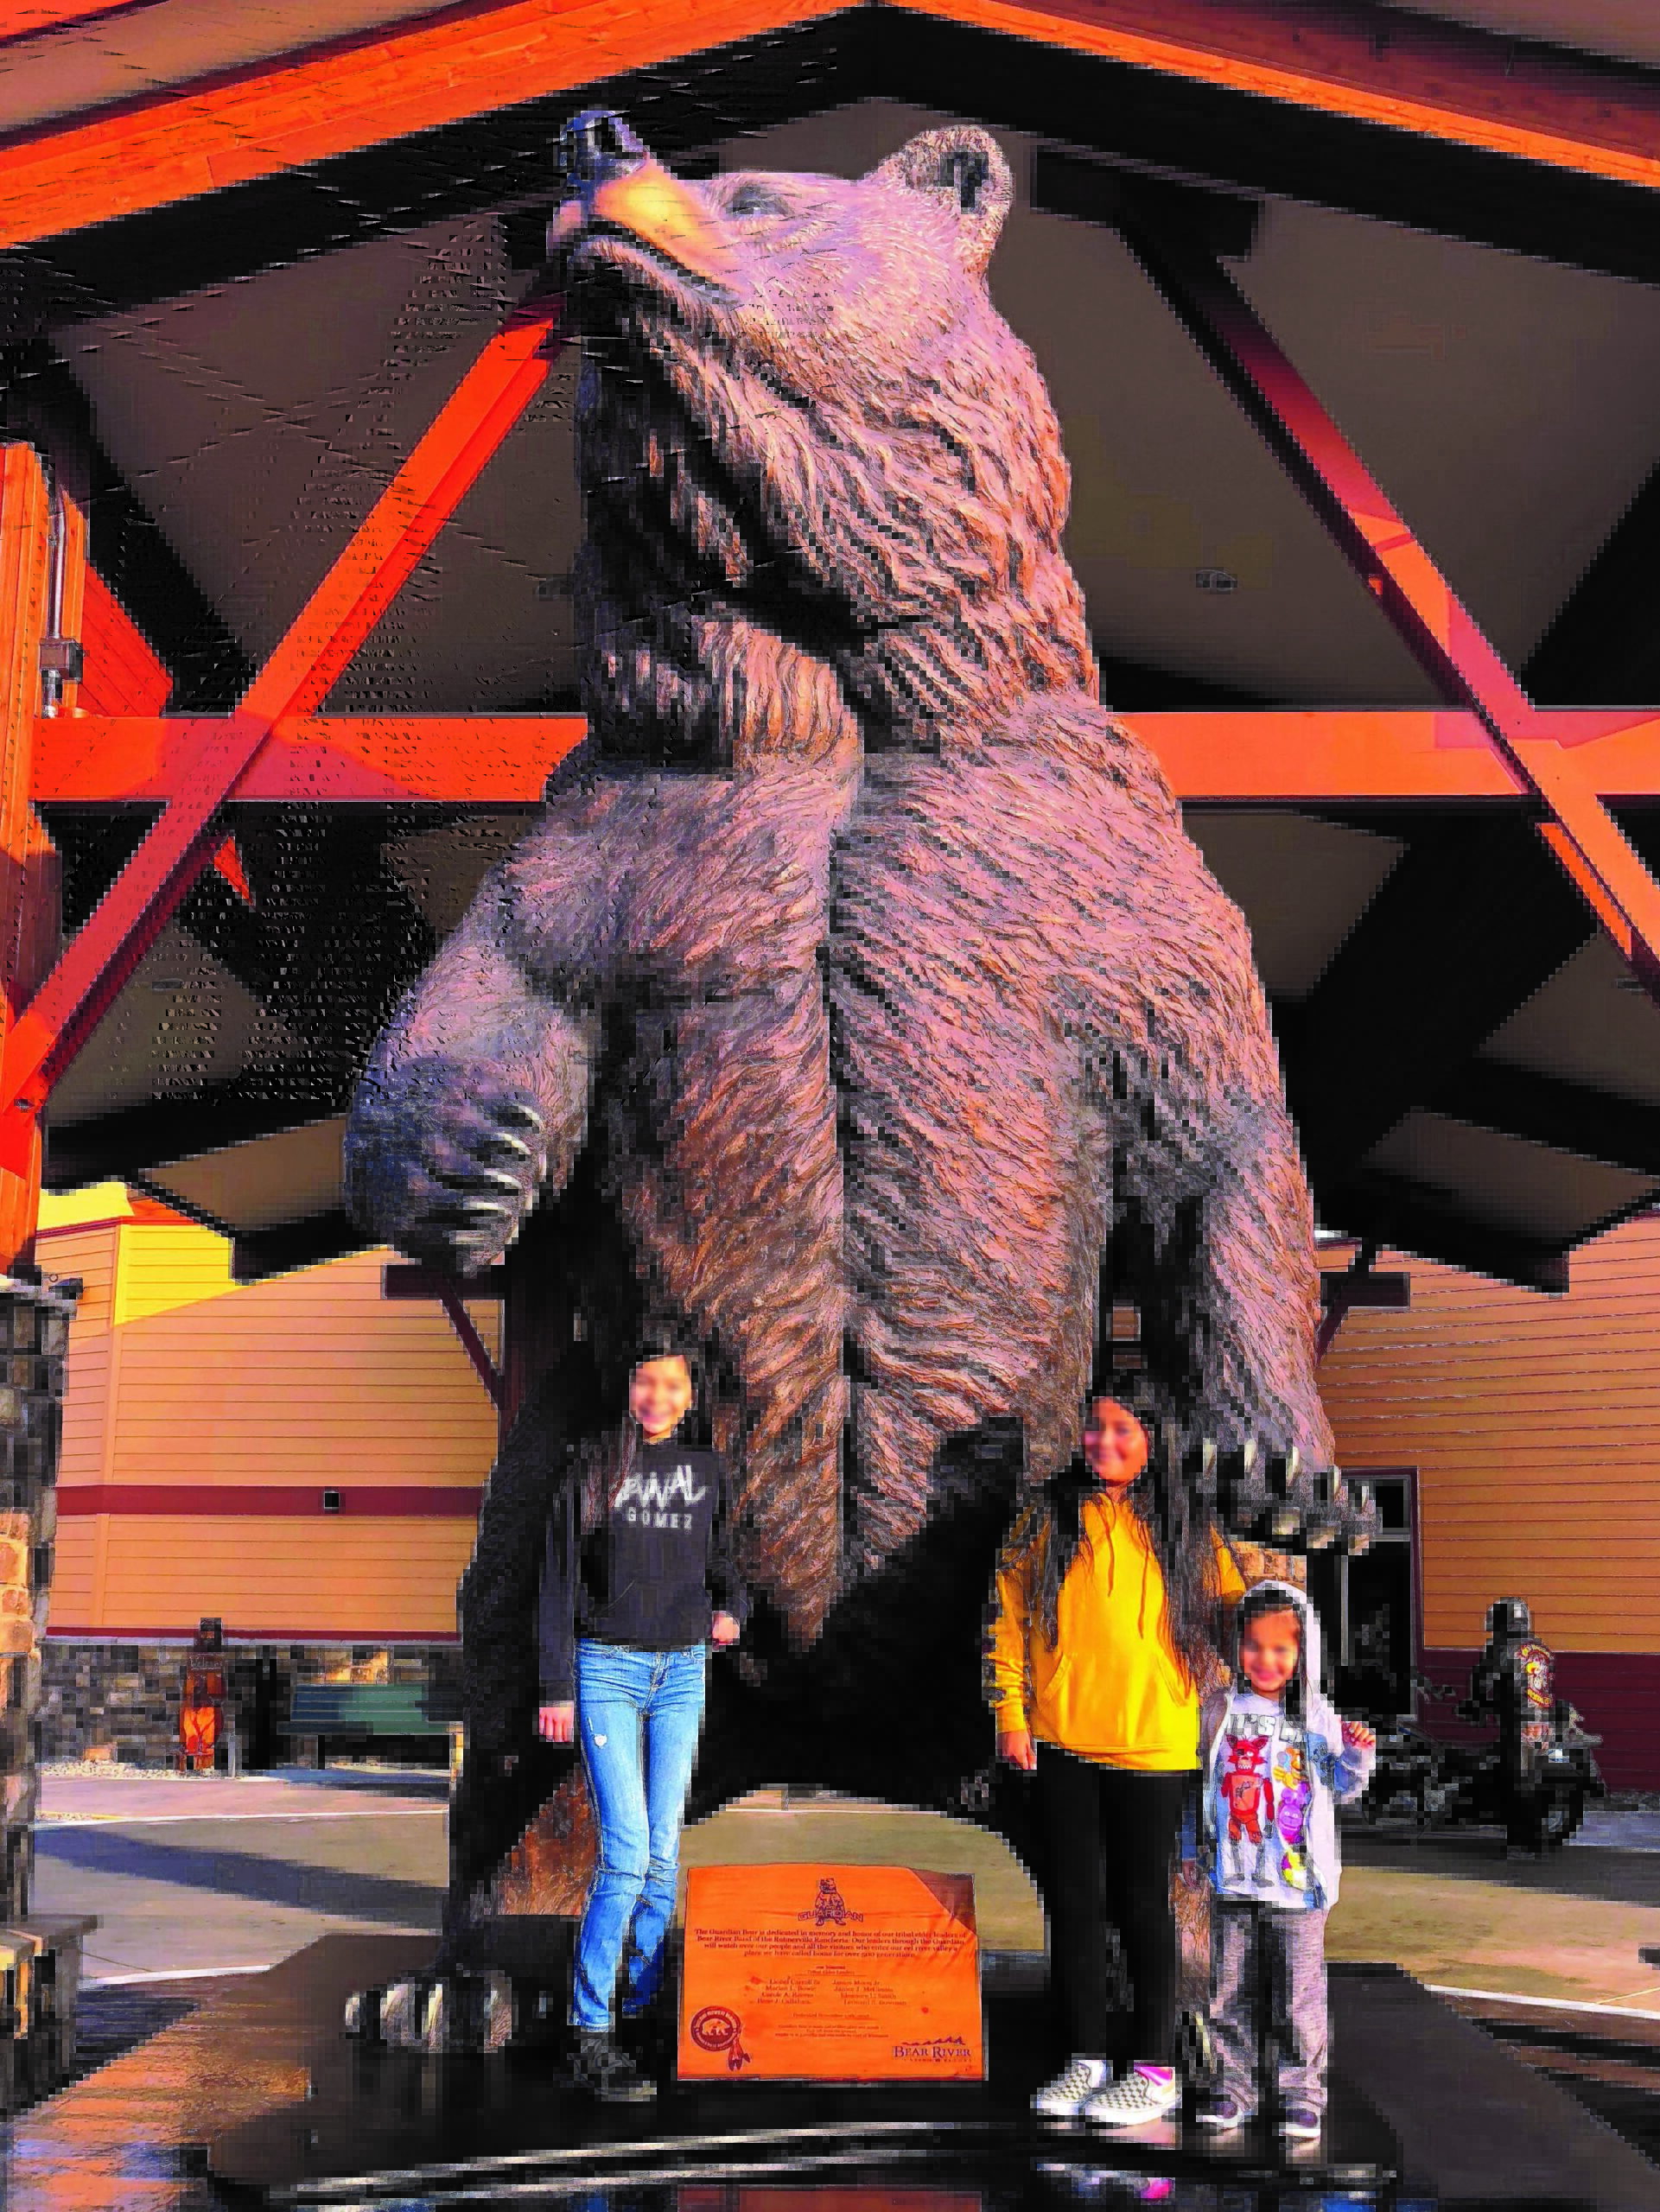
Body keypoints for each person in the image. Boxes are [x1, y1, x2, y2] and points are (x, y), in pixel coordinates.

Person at [987, 1390, 1245, 2127]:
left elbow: (1237, 1615)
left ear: (1151, 1440)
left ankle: (1154, 2067)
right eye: (1093, 1427)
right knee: (1073, 1907)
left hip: (1156, 1747)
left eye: (1120, 1430)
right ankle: (1086, 2059)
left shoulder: (1189, 1525)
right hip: (1063, 1740)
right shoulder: (1046, 1516)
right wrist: (1011, 1713)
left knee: (1143, 1909)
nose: (1101, 1441)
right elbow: (1004, 1617)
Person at [537, 1344, 747, 2103]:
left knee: (663, 1857)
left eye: (669, 1385)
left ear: (688, 1397)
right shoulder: (592, 1467)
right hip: (606, 1672)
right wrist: (555, 1686)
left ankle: (641, 2009)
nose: (655, 1396)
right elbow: (558, 1577)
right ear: (627, 1387)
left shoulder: (706, 1472)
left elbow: (722, 1564)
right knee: (625, 1855)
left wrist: (732, 1610)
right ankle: (588, 2035)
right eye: (643, 1380)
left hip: (683, 1673)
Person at [1189, 1579, 1375, 2140]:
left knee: (1296, 1994)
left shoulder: (1316, 1717)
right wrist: (1190, 1849)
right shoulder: (1217, 1710)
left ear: (1302, 1653)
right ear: (1235, 1647)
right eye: (1252, 1646)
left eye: (1279, 1649)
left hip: (1297, 1887)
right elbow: (1196, 1785)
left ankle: (1300, 2091)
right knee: (1226, 1988)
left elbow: (1341, 1787)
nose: (1264, 1660)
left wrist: (1359, 1754)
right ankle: (1233, 2084)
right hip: (1231, 1880)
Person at [1462, 1597, 1554, 1857]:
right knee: (1533, 1783)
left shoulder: (1502, 1648)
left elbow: (1482, 1680)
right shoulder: (1541, 1648)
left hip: (1516, 1723)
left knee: (1515, 1784)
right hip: (1541, 1724)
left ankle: (1519, 1845)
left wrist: (1477, 1705)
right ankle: (1537, 1840)